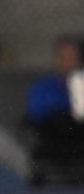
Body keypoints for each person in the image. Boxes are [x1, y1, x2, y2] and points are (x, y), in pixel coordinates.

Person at [25, 37, 84, 166]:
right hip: (53, 144)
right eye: (63, 58)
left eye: (72, 58)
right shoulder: (42, 87)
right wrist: (67, 102)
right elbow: (35, 113)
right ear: (56, 60)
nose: (67, 63)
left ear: (79, 62)